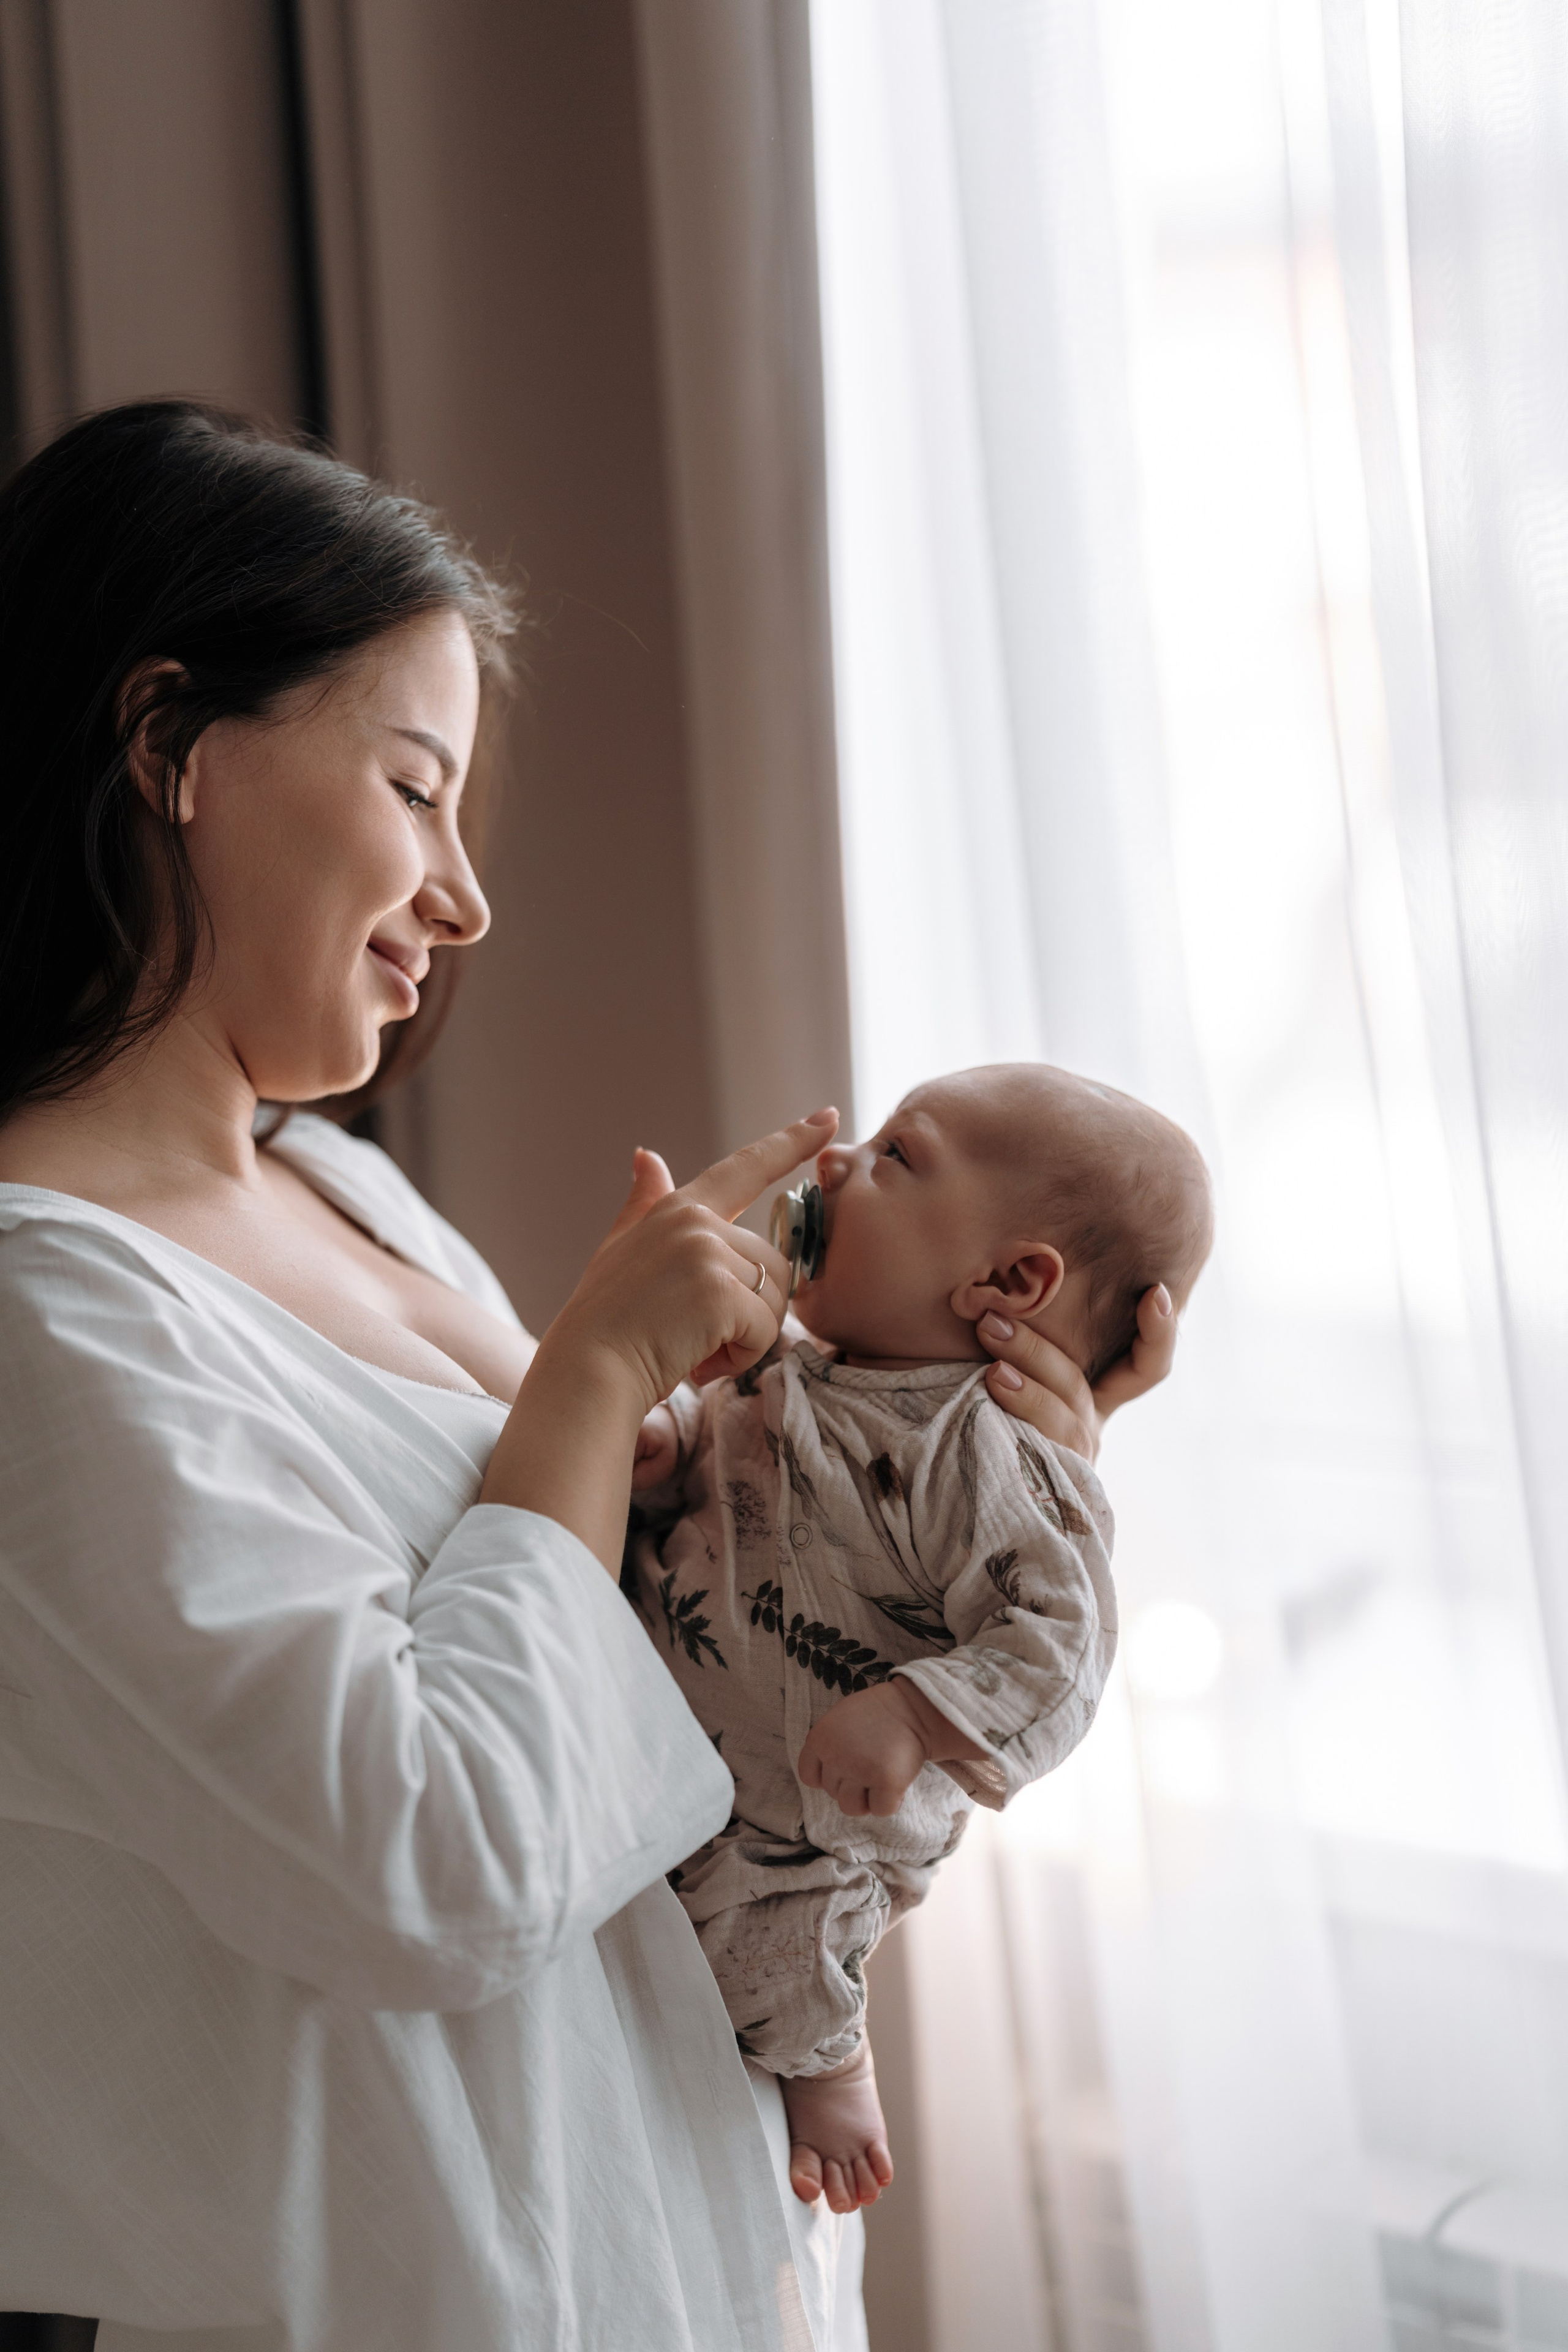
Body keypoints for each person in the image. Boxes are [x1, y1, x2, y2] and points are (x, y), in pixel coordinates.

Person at [0, 403, 1177, 2352]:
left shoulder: (342, 1185)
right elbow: (430, 1868)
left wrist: (948, 1480)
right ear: (169, 747)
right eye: (413, 788)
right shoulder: (45, 1319)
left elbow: (662, 1719)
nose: (466, 897)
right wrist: (593, 1373)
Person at [628, 1063, 1212, 2211]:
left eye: (899, 1155)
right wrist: (660, 1435)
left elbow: (1064, 1647)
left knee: (767, 1971)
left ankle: (834, 2057)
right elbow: (711, 1463)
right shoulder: (784, 1370)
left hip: (800, 1840)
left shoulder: (991, 1454)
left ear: (1010, 1279)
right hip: (660, 1724)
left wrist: (911, 1713)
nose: (836, 1165)